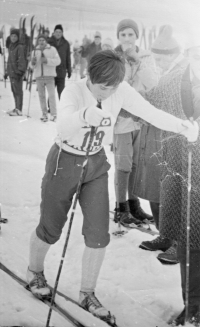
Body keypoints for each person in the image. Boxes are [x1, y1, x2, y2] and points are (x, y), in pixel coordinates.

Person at [26, 50, 198, 323]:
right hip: (65, 159)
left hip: (95, 163)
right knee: (51, 226)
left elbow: (151, 113)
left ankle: (87, 292)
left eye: (112, 87)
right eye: (101, 87)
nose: (106, 93)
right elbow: (64, 123)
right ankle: (34, 271)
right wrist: (84, 114)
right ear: (90, 78)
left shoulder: (121, 89)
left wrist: (181, 126)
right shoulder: (74, 90)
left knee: (98, 233)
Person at [140, 42, 200, 326]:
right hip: (185, 170)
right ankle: (194, 309)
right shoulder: (173, 81)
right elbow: (144, 106)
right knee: (192, 237)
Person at [137, 26, 188, 265]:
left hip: (185, 143)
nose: (156, 63)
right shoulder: (171, 71)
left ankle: (182, 245)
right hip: (171, 140)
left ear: (170, 54)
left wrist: (135, 103)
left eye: (158, 58)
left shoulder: (182, 73)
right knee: (169, 189)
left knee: (182, 192)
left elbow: (159, 101)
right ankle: (167, 236)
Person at [113, 18, 159, 227]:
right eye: (123, 35)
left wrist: (137, 61)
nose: (127, 39)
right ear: (118, 37)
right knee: (123, 165)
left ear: (137, 36)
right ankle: (121, 208)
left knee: (136, 164)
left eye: (131, 34)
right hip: (121, 119)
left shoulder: (145, 57)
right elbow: (112, 86)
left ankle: (133, 204)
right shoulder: (112, 58)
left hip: (140, 119)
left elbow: (152, 84)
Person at [30, 34, 61, 122]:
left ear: (46, 41)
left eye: (43, 40)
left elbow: (58, 61)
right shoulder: (35, 51)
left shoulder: (52, 49)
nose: (41, 42)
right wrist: (32, 63)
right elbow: (32, 66)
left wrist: (47, 61)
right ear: (38, 41)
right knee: (41, 96)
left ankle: (53, 114)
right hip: (39, 76)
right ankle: (44, 113)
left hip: (50, 76)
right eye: (40, 40)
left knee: (51, 95)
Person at [6, 29, 26, 116]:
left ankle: (19, 109)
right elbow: (9, 60)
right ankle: (16, 108)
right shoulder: (11, 46)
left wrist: (20, 71)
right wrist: (7, 71)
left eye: (15, 36)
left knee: (18, 92)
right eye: (12, 36)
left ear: (18, 37)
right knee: (14, 91)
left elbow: (21, 60)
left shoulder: (19, 47)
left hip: (17, 73)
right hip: (11, 73)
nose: (13, 38)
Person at [48, 24, 71, 99]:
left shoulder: (66, 43)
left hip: (61, 71)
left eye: (60, 32)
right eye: (56, 32)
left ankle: (62, 107)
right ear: (53, 32)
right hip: (51, 70)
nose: (58, 33)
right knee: (51, 91)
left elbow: (68, 57)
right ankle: (50, 107)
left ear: (62, 33)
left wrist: (69, 70)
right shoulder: (49, 42)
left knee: (61, 91)